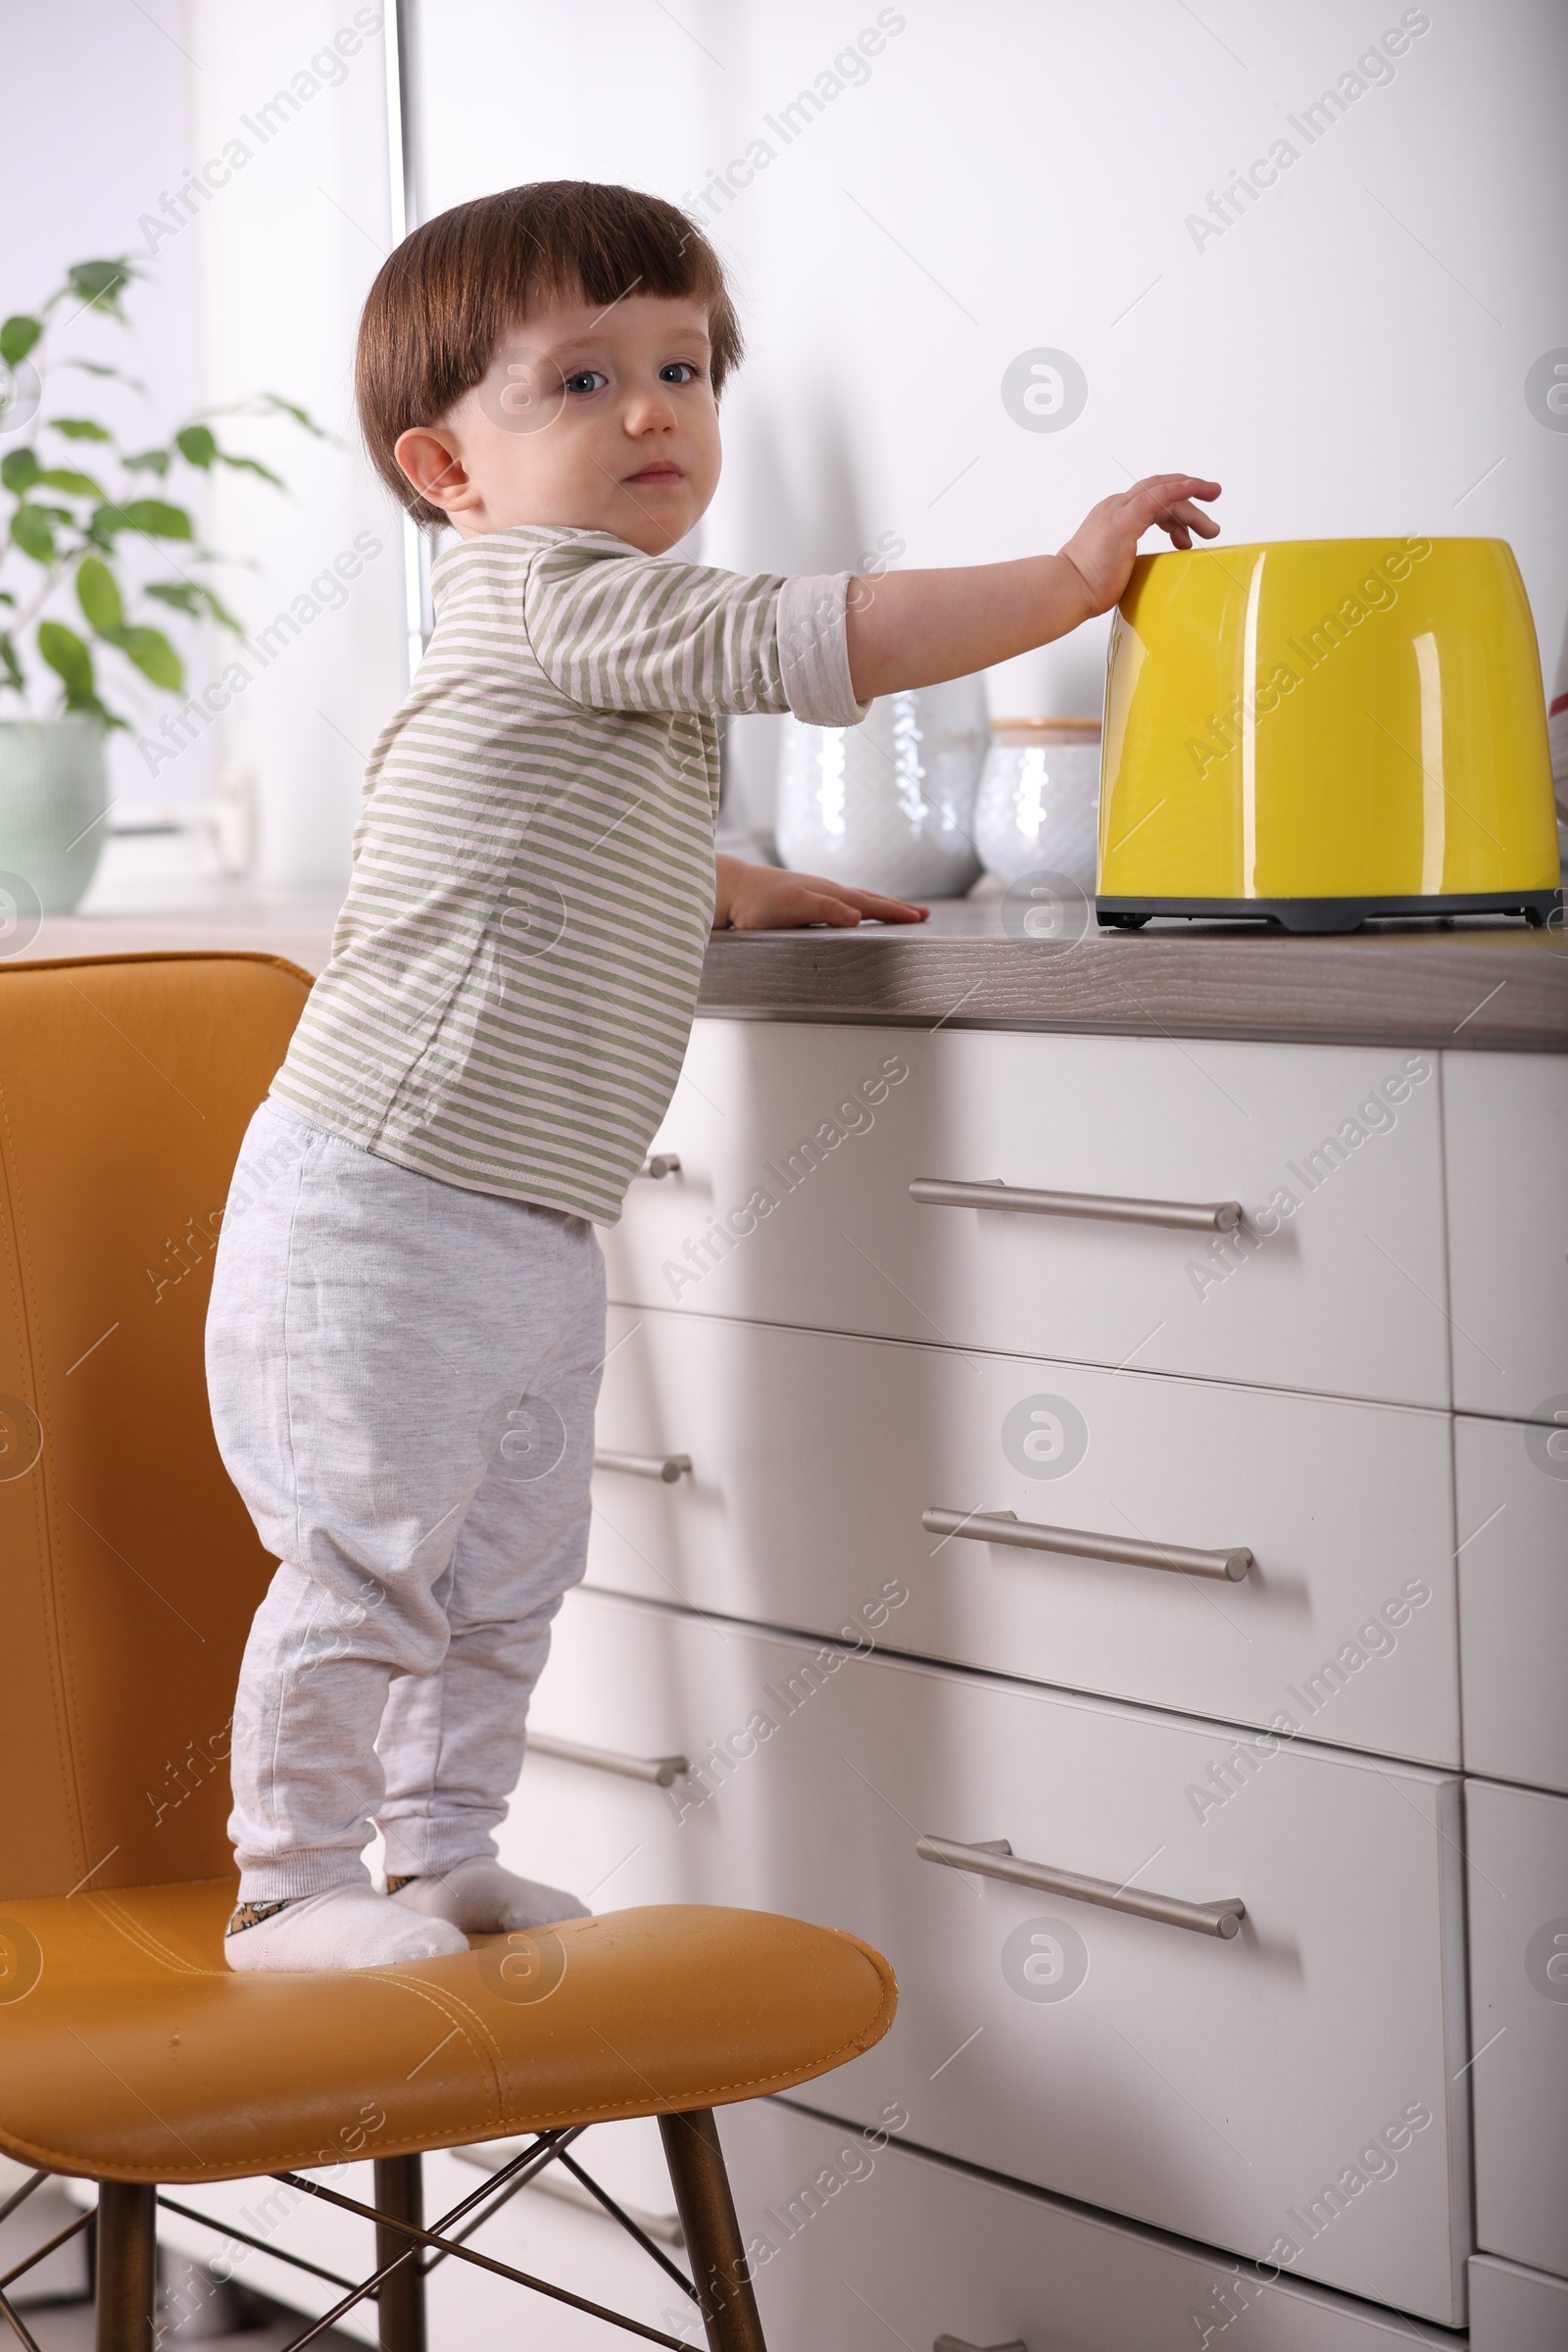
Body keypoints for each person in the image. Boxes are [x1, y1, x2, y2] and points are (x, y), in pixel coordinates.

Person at [207, 178, 1220, 1972]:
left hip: (518, 1213)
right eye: (580, 385)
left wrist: (729, 882)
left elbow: (537, 828)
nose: (655, 412)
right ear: (449, 473)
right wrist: (1066, 583)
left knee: (511, 1572)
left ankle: (440, 1857)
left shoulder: (594, 647)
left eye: (682, 367)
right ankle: (288, 1883)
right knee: (367, 1570)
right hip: (382, 1194)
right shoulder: (552, 592)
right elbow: (807, 639)